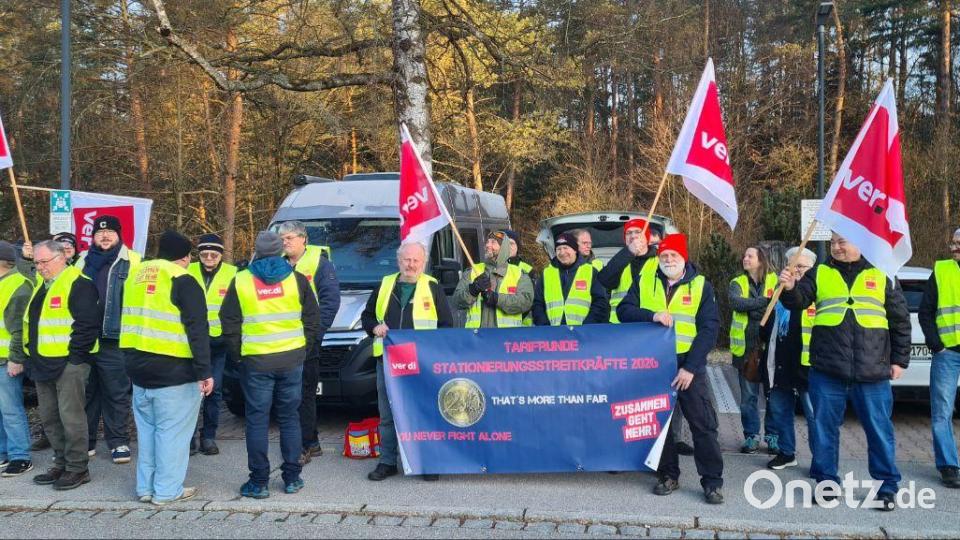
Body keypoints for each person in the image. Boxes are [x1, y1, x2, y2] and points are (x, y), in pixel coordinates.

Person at [780, 232, 910, 511]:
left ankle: (886, 487)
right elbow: (800, 301)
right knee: (825, 430)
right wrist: (790, 288)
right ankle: (827, 485)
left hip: (873, 370)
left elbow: (900, 320)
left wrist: (899, 360)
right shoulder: (821, 272)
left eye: (843, 241)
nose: (837, 247)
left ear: (860, 242)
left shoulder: (882, 273)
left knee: (879, 430)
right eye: (833, 243)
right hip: (827, 369)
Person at [617, 233, 724, 504]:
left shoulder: (701, 285)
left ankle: (712, 482)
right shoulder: (645, 281)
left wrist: (690, 367)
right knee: (659, 424)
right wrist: (651, 315)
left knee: (703, 425)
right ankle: (667, 475)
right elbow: (623, 310)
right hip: (654, 363)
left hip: (688, 365)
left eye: (672, 255)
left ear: (683, 258)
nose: (667, 260)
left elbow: (709, 330)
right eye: (663, 255)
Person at [221, 231, 321, 498]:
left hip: (255, 362)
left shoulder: (240, 280)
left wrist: (238, 355)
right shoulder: (297, 279)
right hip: (291, 359)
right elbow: (313, 318)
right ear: (280, 251)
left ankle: (259, 482)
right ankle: (291, 478)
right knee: (290, 418)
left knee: (257, 420)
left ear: (256, 250)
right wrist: (303, 349)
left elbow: (228, 322)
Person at [120, 231, 213, 505]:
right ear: (185, 258)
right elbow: (197, 329)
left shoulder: (136, 275)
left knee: (147, 433)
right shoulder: (183, 279)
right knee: (172, 434)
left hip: (137, 367)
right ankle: (167, 491)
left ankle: (145, 488)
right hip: (174, 370)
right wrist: (204, 371)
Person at [361, 242, 455, 482]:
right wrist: (374, 327)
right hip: (388, 360)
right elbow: (367, 316)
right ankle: (388, 461)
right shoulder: (384, 285)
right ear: (398, 260)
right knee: (388, 413)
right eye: (407, 260)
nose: (411, 264)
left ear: (423, 263)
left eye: (416, 260)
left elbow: (446, 326)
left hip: (422, 363)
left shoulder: (433, 287)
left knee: (424, 411)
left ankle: (428, 462)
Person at [24, 240, 101, 490]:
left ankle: (77, 468)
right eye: (36, 262)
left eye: (44, 262)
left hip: (68, 364)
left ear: (62, 258)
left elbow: (87, 325)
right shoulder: (42, 286)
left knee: (71, 417)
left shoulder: (79, 284)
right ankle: (61, 462)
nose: (40, 267)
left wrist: (74, 358)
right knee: (50, 417)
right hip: (42, 362)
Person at [76, 215, 141, 464]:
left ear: (119, 235)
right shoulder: (82, 261)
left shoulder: (133, 260)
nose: (105, 236)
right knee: (87, 393)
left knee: (116, 393)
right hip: (84, 338)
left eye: (110, 232)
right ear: (92, 236)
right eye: (100, 233)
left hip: (114, 339)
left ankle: (118, 442)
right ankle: (88, 442)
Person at [277, 221, 340, 464]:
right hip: (283, 340)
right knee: (293, 395)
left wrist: (315, 334)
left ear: (304, 238)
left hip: (307, 341)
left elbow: (330, 301)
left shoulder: (319, 263)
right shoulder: (278, 264)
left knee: (302, 394)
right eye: (282, 238)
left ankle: (303, 445)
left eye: (290, 237)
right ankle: (311, 442)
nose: (285, 242)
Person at [761, 246, 818, 472]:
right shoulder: (779, 292)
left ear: (811, 269)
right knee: (780, 409)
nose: (795, 271)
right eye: (791, 266)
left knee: (814, 415)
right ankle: (786, 452)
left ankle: (820, 459)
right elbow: (768, 329)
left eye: (801, 267)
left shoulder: (817, 292)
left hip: (808, 364)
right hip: (780, 362)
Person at [186, 234, 237, 456]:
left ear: (220, 255)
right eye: (204, 254)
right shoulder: (187, 271)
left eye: (213, 254)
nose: (208, 258)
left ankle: (208, 436)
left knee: (213, 392)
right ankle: (188, 438)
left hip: (218, 343)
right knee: (189, 392)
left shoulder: (232, 273)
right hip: (190, 342)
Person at [918, 227, 960, 489]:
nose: (953, 247)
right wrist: (937, 345)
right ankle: (948, 466)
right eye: (953, 242)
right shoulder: (942, 270)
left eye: (959, 243)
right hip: (948, 353)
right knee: (942, 413)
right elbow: (926, 312)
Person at [729, 246, 779, 454]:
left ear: (761, 260)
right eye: (744, 255)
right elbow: (737, 303)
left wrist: (755, 306)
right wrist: (763, 302)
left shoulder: (776, 280)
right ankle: (751, 436)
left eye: (750, 255)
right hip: (746, 349)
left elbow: (777, 307)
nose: (745, 258)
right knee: (748, 397)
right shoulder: (736, 283)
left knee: (773, 396)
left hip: (772, 348)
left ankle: (773, 436)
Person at [0, 241, 34, 477]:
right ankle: (3, 452)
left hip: (7, 359)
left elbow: (20, 329)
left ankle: (20, 456)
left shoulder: (17, 285)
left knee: (10, 409)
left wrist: (16, 358)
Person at [453, 231, 533, 329]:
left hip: (506, 339)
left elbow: (525, 302)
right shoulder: (473, 271)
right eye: (488, 242)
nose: (488, 245)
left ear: (503, 248)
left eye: (493, 242)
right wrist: (472, 290)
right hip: (477, 338)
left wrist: (497, 299)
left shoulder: (519, 274)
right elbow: (457, 302)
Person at [532, 233, 609, 326]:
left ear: (575, 250)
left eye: (565, 248)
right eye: (558, 249)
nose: (562, 252)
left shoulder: (591, 272)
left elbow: (600, 302)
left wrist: (588, 325)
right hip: (553, 335)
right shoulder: (546, 273)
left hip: (583, 334)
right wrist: (545, 326)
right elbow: (537, 304)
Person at [598, 219, 658, 324]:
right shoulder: (620, 259)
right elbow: (604, 279)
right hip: (620, 324)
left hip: (651, 323)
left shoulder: (660, 260)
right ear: (625, 239)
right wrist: (629, 252)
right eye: (628, 233)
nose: (633, 236)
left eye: (638, 232)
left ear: (647, 236)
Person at [503, 230, 535, 326]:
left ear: (518, 247)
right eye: (505, 244)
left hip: (522, 328)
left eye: (512, 244)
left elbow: (530, 300)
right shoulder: (493, 268)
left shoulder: (527, 269)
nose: (509, 247)